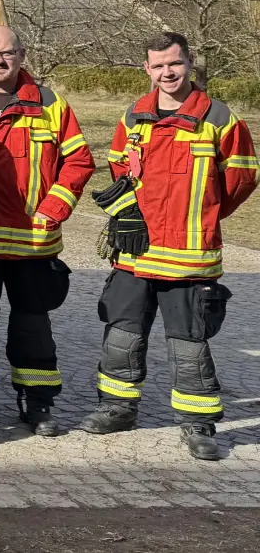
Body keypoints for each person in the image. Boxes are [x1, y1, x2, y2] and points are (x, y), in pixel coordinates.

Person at [82, 32, 256, 461]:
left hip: (189, 257)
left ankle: (198, 424)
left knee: (189, 344)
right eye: (158, 65)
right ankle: (118, 408)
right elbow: (120, 167)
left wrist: (204, 214)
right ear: (147, 69)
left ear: (190, 63)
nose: (167, 72)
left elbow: (242, 177)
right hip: (135, 252)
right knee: (121, 336)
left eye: (174, 63)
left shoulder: (220, 118)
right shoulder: (134, 115)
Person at [0, 26, 94, 434]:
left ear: (21, 55)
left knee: (33, 329)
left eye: (6, 54)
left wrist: (53, 209)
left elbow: (79, 161)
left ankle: (38, 404)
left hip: (34, 243)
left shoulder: (50, 104)